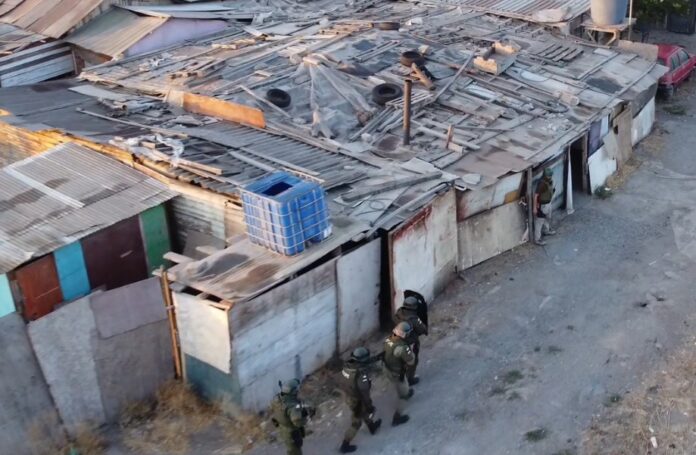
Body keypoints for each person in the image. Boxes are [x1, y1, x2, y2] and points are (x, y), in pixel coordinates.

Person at [339, 347, 382, 453]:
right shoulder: (361, 376)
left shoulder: (347, 366)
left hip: (349, 396)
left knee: (364, 412)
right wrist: (369, 405)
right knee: (357, 422)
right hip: (358, 399)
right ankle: (345, 445)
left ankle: (372, 427)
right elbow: (365, 393)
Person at [270, 378, 315, 455]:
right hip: (292, 434)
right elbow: (297, 422)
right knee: (295, 452)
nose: (297, 391)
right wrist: (306, 416)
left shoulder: (277, 399)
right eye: (296, 390)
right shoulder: (292, 407)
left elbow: (273, 409)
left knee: (290, 450)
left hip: (283, 429)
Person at [383, 322, 416, 426]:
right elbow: (411, 361)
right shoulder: (402, 347)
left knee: (401, 384)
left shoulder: (388, 339)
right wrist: (410, 351)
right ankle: (397, 417)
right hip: (397, 372)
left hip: (388, 368)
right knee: (404, 394)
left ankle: (404, 391)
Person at [394, 295, 428, 385]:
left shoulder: (399, 312)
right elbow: (422, 329)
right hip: (410, 342)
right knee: (412, 360)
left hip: (397, 340)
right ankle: (410, 379)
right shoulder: (414, 319)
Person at [534, 167, 557, 245]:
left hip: (548, 203)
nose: (550, 177)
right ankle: (537, 239)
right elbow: (536, 196)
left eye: (550, 175)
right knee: (539, 221)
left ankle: (546, 231)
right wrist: (535, 208)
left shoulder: (549, 181)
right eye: (548, 176)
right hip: (542, 205)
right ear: (544, 175)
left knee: (548, 217)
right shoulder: (541, 184)